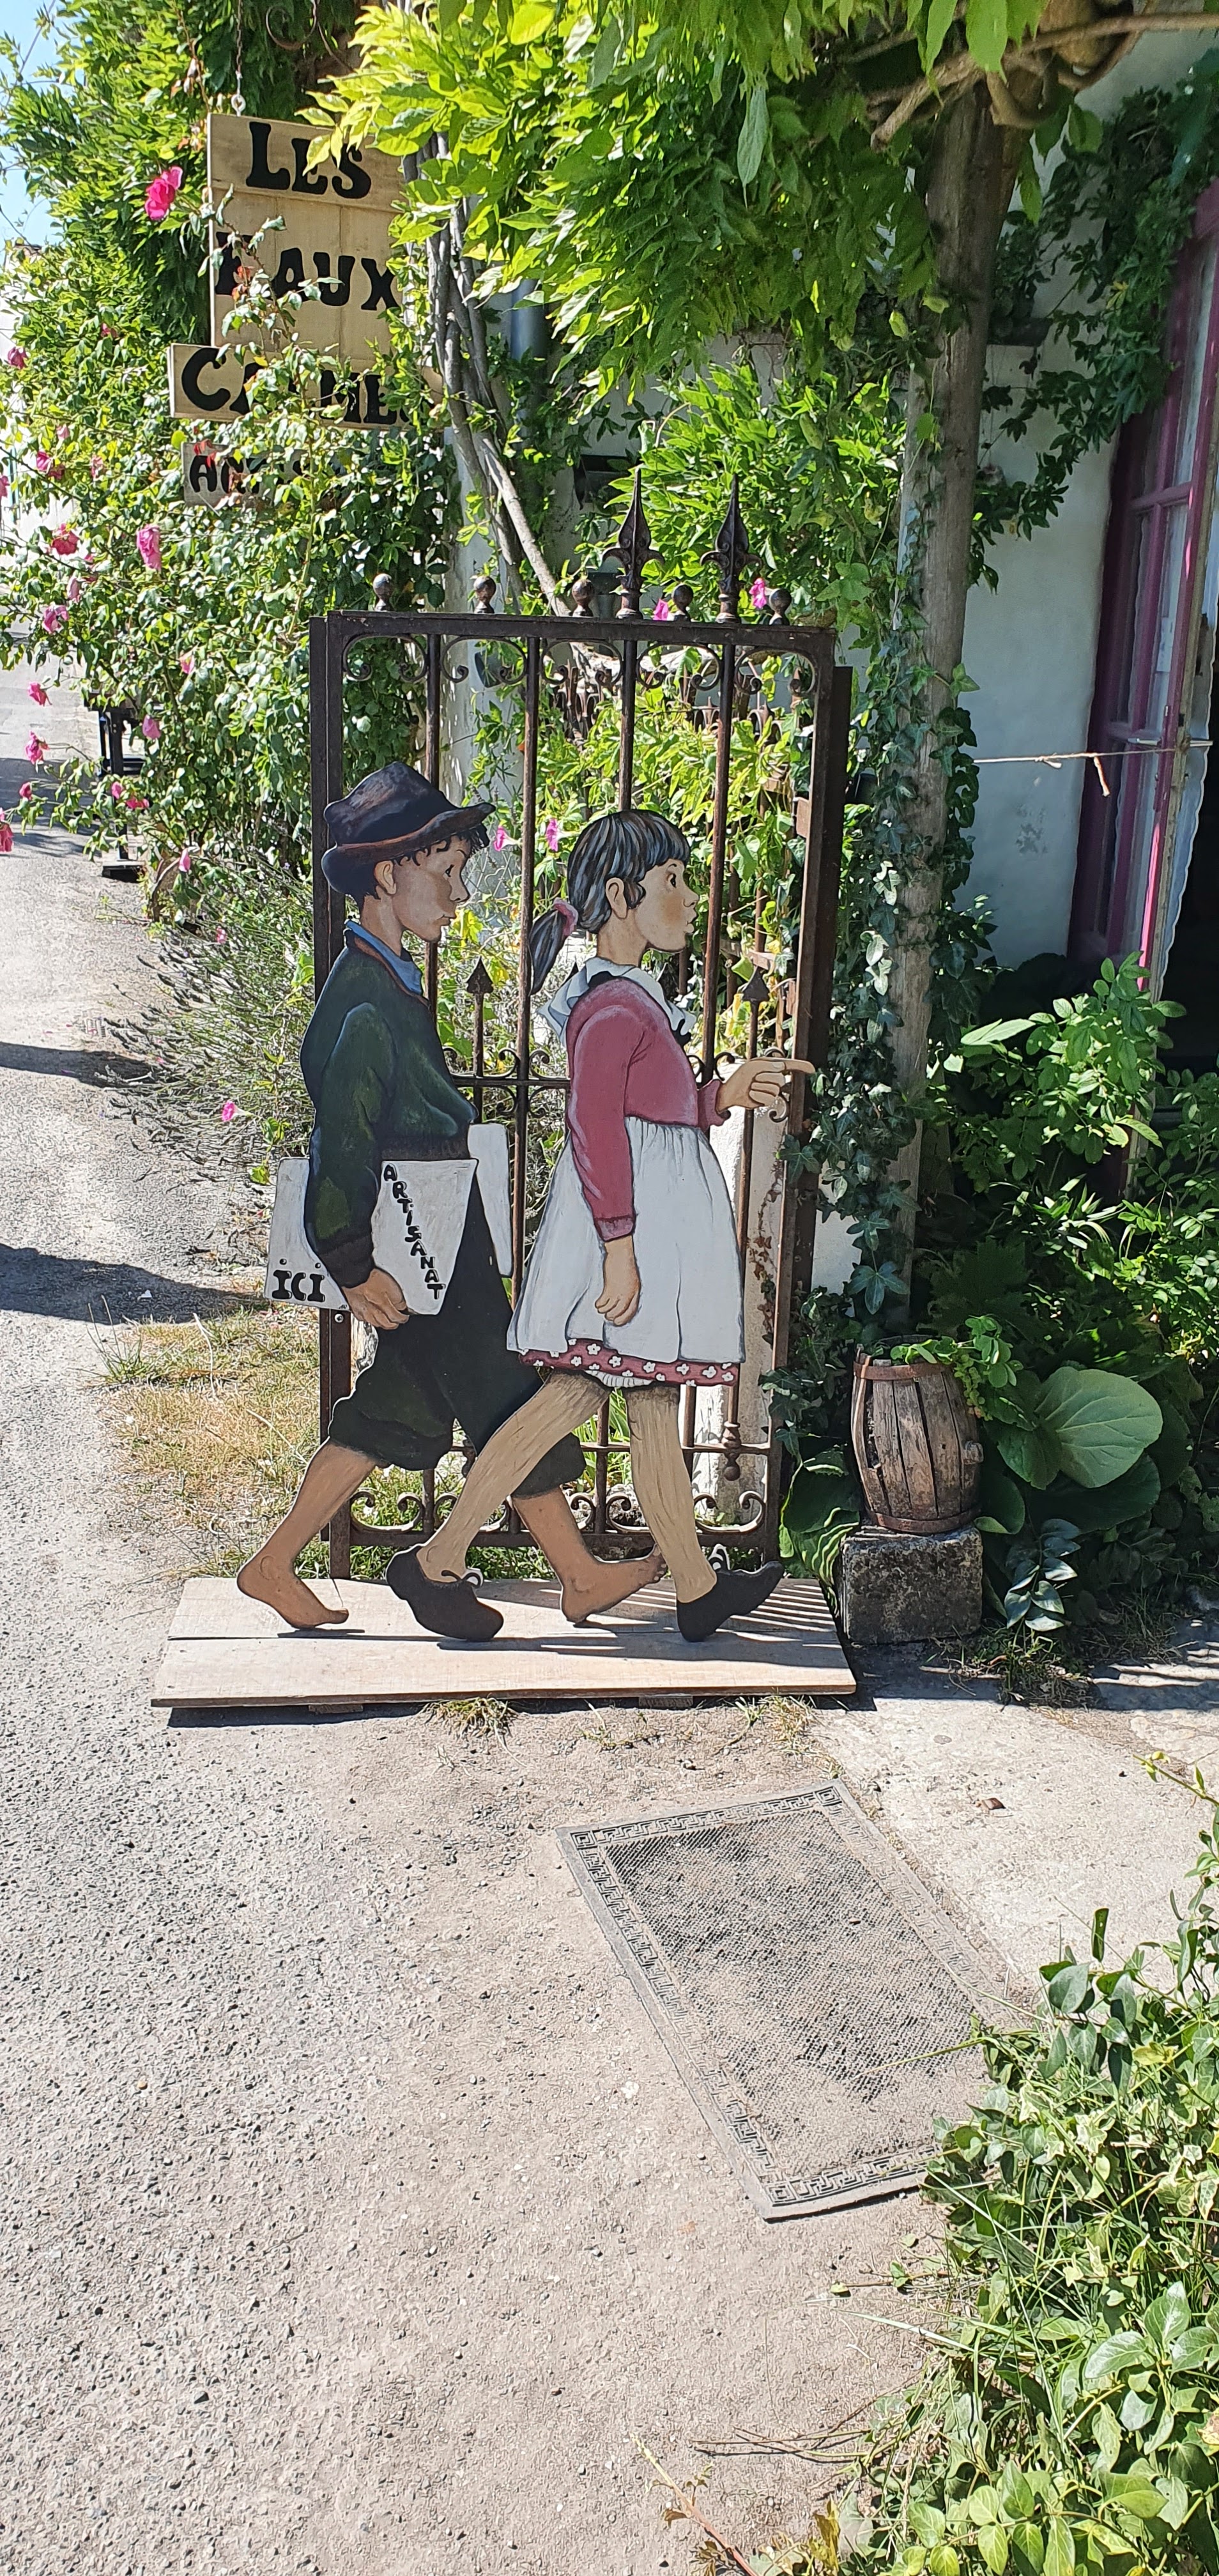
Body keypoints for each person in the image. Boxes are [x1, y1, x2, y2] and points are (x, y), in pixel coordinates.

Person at [238, 763, 661, 1632]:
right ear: (388, 874)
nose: (461, 894)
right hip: (417, 1244)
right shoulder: (365, 1002)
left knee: (399, 1408)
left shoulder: (391, 982)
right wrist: (350, 1262)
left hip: (435, 1238)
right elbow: (343, 1143)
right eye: (447, 872)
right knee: (504, 1399)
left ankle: (277, 1564)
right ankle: (563, 1574)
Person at [390, 808, 811, 1645]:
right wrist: (620, 1250)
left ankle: (692, 1587)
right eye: (672, 880)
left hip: (640, 1231)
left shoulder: (628, 1000)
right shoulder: (613, 1009)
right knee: (592, 1395)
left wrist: (721, 1097)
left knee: (632, 1396)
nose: (689, 897)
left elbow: (655, 1106)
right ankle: (440, 1559)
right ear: (621, 896)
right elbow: (596, 1130)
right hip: (627, 1237)